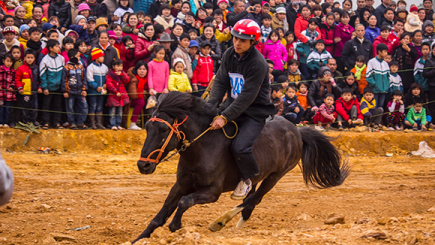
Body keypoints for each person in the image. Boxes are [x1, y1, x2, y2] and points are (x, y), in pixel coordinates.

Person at [207, 19, 276, 200]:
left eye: (243, 40)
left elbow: (247, 96)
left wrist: (225, 117)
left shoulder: (258, 64)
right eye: (235, 38)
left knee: (240, 147)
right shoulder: (229, 54)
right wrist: (208, 107)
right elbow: (221, 82)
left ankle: (248, 179)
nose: (237, 43)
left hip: (254, 112)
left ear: (253, 42)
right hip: (232, 104)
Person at [39, 39, 65, 130]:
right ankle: (46, 122)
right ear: (50, 48)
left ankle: (57, 122)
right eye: (56, 46)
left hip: (58, 87)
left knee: (58, 105)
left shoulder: (61, 58)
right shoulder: (45, 60)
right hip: (48, 87)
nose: (58, 48)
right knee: (46, 105)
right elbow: (42, 75)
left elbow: (64, 74)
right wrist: (45, 87)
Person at [61, 49, 89, 130]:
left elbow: (84, 79)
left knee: (84, 106)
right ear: (72, 57)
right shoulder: (66, 68)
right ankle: (72, 123)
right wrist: (65, 91)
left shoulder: (81, 67)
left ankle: (80, 122)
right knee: (70, 108)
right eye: (77, 56)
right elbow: (64, 80)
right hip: (70, 91)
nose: (79, 58)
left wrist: (84, 89)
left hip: (80, 91)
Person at [87, 48, 108, 130]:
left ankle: (99, 123)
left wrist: (106, 84)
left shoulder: (105, 67)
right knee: (93, 106)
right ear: (96, 57)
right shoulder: (90, 67)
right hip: (93, 91)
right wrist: (96, 87)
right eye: (101, 56)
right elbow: (89, 79)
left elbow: (107, 77)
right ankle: (92, 123)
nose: (103, 58)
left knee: (100, 106)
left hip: (102, 91)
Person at [106, 58, 130, 130]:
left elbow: (127, 80)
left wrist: (121, 75)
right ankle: (112, 124)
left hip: (121, 96)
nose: (120, 68)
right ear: (113, 66)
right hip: (113, 95)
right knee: (112, 111)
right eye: (118, 66)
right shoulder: (110, 75)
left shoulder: (122, 73)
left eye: (121, 66)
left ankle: (119, 124)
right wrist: (115, 91)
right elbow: (109, 84)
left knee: (120, 112)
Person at [366, 43, 390, 109]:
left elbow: (388, 76)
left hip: (384, 89)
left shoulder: (385, 63)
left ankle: (379, 119)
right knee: (374, 106)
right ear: (379, 52)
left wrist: (387, 85)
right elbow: (368, 76)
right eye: (385, 51)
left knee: (381, 105)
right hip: (375, 89)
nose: (386, 53)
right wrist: (374, 84)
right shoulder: (371, 62)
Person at [0, 54, 15, 128]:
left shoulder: (12, 71)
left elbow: (14, 80)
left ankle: (6, 122)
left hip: (9, 94)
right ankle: (0, 122)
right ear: (3, 61)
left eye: (11, 61)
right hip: (0, 94)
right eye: (7, 61)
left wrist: (12, 86)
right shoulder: (0, 69)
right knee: (1, 109)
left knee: (7, 109)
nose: (9, 63)